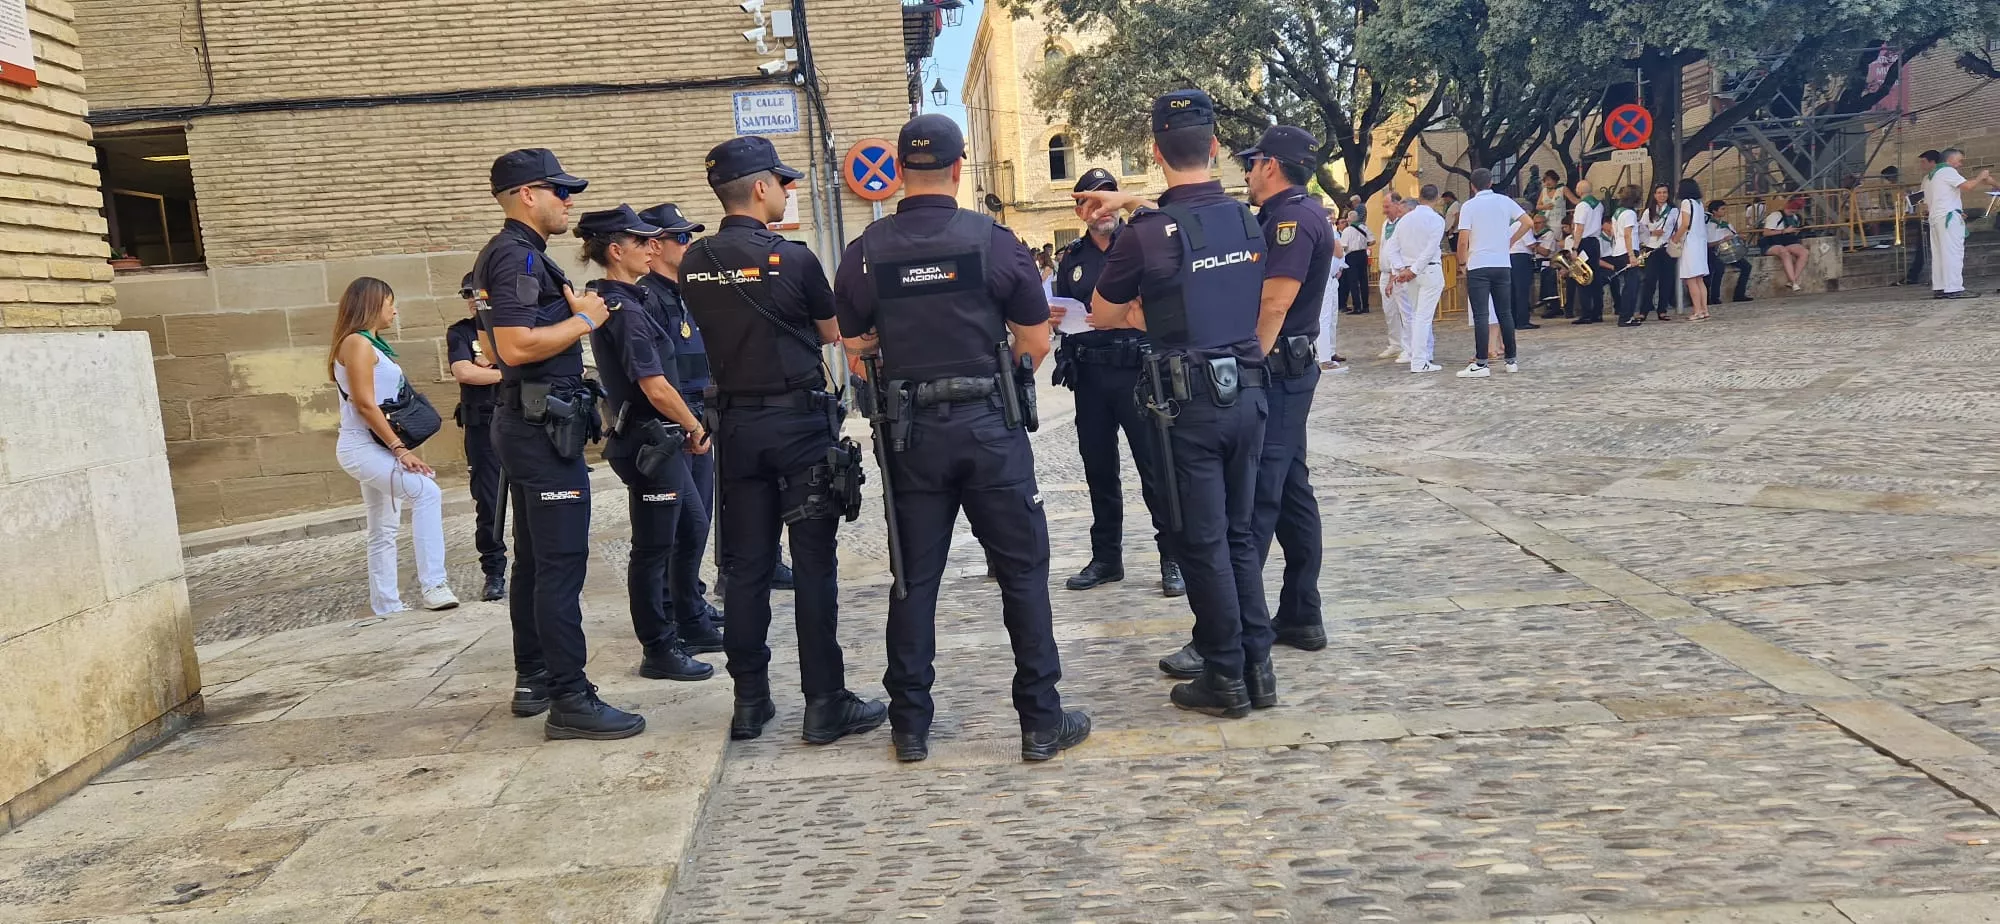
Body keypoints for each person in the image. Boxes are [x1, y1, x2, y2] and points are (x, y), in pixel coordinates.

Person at [834, 113, 1091, 764]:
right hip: (988, 430)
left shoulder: (866, 251)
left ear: (895, 172)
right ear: (959, 168)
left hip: (910, 434)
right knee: (1023, 575)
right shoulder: (993, 241)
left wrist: (882, 350)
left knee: (913, 580)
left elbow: (853, 344)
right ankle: (1040, 721)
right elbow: (1035, 340)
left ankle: (909, 728)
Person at [1074, 88, 1276, 717]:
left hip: (1187, 400)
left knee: (1202, 540)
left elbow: (1103, 313)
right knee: (1241, 537)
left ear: (1154, 151)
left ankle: (1224, 676)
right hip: (1247, 390)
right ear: (1215, 147)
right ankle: (1259, 668)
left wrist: (1150, 312)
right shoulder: (1249, 219)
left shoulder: (1148, 235)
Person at [679, 135, 886, 744]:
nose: (788, 191)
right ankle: (826, 703)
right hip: (798, 426)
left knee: (746, 569)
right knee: (815, 568)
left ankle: (750, 702)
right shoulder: (791, 259)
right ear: (762, 187)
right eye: (783, 182)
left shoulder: (692, 261)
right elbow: (832, 333)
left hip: (736, 428)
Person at [473, 148, 641, 739]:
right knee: (561, 566)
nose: (569, 201)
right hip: (539, 430)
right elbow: (514, 349)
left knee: (537, 563)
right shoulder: (516, 256)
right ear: (527, 195)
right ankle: (571, 697)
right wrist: (585, 320)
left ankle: (535, 676)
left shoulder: (518, 257)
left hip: (532, 424)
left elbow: (502, 346)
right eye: (560, 191)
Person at [573, 205, 716, 685]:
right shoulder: (625, 309)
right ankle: (658, 647)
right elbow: (654, 385)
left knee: (690, 527)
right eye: (642, 242)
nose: (653, 247)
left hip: (662, 436)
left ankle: (681, 625)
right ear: (617, 251)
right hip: (648, 438)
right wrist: (694, 425)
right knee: (653, 547)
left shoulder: (626, 300)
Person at [1048, 167, 1184, 597]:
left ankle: (1173, 557)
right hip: (1090, 375)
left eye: (1108, 196)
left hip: (1139, 373)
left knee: (1156, 469)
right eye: (1091, 199)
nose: (1101, 206)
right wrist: (1054, 320)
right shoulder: (1071, 259)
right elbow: (1064, 312)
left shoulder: (1143, 243)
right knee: (1098, 470)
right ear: (1080, 209)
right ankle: (1107, 557)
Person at [1237, 125, 1333, 653]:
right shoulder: (1288, 213)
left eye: (1251, 163)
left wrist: (1247, 366)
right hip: (1289, 369)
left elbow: (1274, 305)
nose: (1247, 173)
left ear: (1270, 165)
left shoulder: (1292, 219)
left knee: (1257, 498)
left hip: (1277, 371)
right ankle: (1301, 615)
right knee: (1293, 492)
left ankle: (1233, 636)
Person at [330, 276, 459, 617]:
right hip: (363, 447)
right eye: (390, 303)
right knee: (426, 493)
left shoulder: (369, 344)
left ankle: (386, 605)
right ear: (372, 305)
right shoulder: (356, 344)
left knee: (383, 527)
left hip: (376, 446)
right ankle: (434, 585)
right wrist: (400, 449)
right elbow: (365, 404)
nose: (395, 310)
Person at [634, 203, 727, 655]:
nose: (688, 245)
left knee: (699, 517)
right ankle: (677, 608)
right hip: (676, 417)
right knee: (684, 524)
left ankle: (688, 597)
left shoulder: (683, 291)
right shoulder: (647, 298)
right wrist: (687, 421)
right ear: (654, 246)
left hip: (698, 410)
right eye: (681, 238)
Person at [446, 272, 507, 601]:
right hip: (482, 428)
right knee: (489, 504)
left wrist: (490, 368)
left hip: (520, 424)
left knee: (535, 501)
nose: (471, 298)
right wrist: (509, 370)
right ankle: (494, 572)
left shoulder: (510, 327)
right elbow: (463, 371)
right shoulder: (460, 332)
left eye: (476, 292)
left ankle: (540, 565)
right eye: (466, 293)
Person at [1454, 167, 1533, 376]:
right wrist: (1511, 241)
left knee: (1481, 314)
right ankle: (1511, 360)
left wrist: (1462, 263)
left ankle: (1481, 363)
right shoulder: (1505, 201)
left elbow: (1463, 239)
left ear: (1472, 186)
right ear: (1491, 183)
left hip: (1479, 263)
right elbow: (1528, 222)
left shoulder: (1469, 206)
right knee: (1504, 312)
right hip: (1501, 263)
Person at [1391, 185, 1448, 372]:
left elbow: (1392, 248)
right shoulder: (1436, 220)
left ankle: (1423, 355)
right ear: (1437, 198)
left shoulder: (1404, 220)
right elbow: (1430, 249)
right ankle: (1419, 360)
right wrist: (1413, 269)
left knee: (1417, 316)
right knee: (1423, 317)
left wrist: (1402, 269)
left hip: (1410, 273)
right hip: (1428, 270)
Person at [1927, 147, 1993, 299]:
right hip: (1948, 219)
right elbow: (1968, 187)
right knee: (1953, 253)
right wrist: (1980, 176)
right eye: (1959, 160)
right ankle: (1954, 288)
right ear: (1950, 159)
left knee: (1940, 254)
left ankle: (1941, 287)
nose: (1960, 164)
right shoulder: (1947, 171)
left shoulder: (1931, 176)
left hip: (1937, 218)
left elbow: (1938, 198)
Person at [1637, 183, 1678, 320]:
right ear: (1654, 195)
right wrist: (1652, 232)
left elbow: (1678, 229)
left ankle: (1662, 310)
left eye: (1664, 192)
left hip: (1667, 248)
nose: (1662, 195)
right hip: (1652, 248)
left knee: (1666, 280)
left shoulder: (1673, 211)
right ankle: (1644, 310)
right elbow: (1641, 229)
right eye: (1659, 192)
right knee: (1649, 280)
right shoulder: (1648, 211)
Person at [1377, 193, 1410, 360]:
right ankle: (1395, 343)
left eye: (1387, 206)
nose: (1384, 210)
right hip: (1384, 271)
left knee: (1404, 311)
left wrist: (1392, 275)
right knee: (1389, 311)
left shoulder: (1402, 224)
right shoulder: (1385, 224)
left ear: (1397, 205)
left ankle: (1407, 345)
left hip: (1398, 273)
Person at [1674, 179, 1712, 321]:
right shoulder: (1699, 204)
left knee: (1691, 279)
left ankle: (1697, 310)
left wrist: (1675, 239)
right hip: (1700, 243)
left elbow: (1684, 224)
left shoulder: (1686, 203)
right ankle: (1704, 309)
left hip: (1690, 243)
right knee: (1699, 279)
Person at [1603, 185, 1641, 327]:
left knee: (1627, 285)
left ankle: (1627, 315)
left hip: (1617, 251)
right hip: (1627, 251)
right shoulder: (1630, 214)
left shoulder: (1617, 213)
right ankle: (1626, 317)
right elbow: (1628, 234)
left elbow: (1614, 233)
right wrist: (1631, 255)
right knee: (1631, 286)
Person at [1568, 179, 1605, 324]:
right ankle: (1597, 312)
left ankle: (1586, 313)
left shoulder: (1582, 206)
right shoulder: (1599, 205)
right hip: (1595, 242)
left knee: (1582, 277)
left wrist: (1575, 247)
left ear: (1579, 190)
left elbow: (1580, 228)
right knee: (1595, 277)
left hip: (1584, 243)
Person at [1705, 199, 1754, 305]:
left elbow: (1734, 237)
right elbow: (1707, 244)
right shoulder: (1709, 226)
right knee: (1718, 268)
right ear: (1714, 211)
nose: (1724, 211)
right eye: (1722, 209)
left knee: (1747, 266)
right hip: (1714, 252)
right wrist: (1722, 240)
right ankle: (1714, 297)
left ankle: (1739, 294)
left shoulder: (1727, 225)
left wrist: (1739, 237)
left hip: (1729, 251)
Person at [1761, 196, 1810, 291]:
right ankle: (1794, 282)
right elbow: (1766, 233)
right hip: (1771, 241)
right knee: (1784, 252)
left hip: (1786, 240)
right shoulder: (1775, 216)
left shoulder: (1795, 217)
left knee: (1804, 252)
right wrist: (1783, 231)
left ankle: (1793, 280)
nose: (1793, 213)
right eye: (1791, 210)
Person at [1507, 198, 1540, 331]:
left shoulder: (1510, 223)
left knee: (1513, 291)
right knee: (1522, 290)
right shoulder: (1523, 224)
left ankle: (1514, 320)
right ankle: (1523, 320)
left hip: (1510, 257)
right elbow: (1530, 244)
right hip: (1521, 258)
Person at [1338, 209, 1372, 315]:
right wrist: (1364, 245)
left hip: (1351, 256)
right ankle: (1366, 306)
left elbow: (1343, 246)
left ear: (1349, 219)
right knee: (1364, 281)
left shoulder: (1347, 231)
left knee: (1353, 281)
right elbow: (1372, 240)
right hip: (1362, 254)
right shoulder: (1364, 228)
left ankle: (1357, 306)